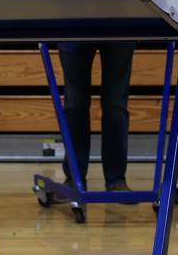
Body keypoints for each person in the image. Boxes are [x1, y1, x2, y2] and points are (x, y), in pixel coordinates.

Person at [58, 42, 136, 194]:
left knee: (115, 106)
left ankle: (116, 180)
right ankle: (75, 179)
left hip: (119, 31)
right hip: (74, 32)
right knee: (74, 104)